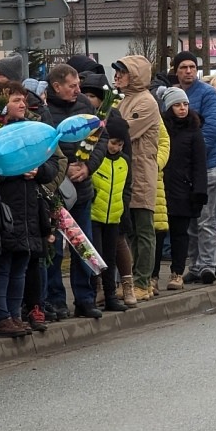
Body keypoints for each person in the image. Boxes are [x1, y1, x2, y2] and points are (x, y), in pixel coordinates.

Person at [0, 82, 61, 338]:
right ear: (1, 103)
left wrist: (38, 171)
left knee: (21, 266)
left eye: (23, 100)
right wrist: (16, 169)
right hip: (6, 209)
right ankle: (1, 315)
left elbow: (52, 163)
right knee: (3, 267)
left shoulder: (31, 130)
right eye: (16, 100)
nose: (22, 104)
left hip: (29, 209)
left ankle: (16, 314)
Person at [40, 63, 104, 320]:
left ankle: (85, 298)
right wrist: (61, 170)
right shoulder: (45, 111)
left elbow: (100, 137)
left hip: (83, 189)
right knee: (54, 250)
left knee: (83, 246)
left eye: (78, 85)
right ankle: (55, 300)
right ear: (57, 86)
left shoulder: (86, 107)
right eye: (72, 86)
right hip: (56, 191)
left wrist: (88, 167)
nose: (78, 90)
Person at [173, 52, 216, 285]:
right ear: (176, 70)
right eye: (183, 67)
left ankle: (208, 265)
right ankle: (194, 265)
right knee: (190, 221)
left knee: (207, 219)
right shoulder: (172, 94)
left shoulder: (208, 94)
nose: (188, 71)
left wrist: (191, 154)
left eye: (192, 66)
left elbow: (213, 128)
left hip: (208, 165)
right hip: (184, 169)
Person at [112, 56, 163, 300]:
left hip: (141, 171)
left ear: (135, 75)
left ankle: (144, 281)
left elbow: (121, 131)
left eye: (122, 72)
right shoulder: (125, 100)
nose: (117, 77)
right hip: (126, 172)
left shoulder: (146, 102)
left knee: (143, 229)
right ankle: (130, 280)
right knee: (129, 230)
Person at [159, 87, 208, 286]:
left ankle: (177, 272)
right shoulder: (161, 128)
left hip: (183, 189)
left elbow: (199, 164)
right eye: (177, 105)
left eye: (185, 104)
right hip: (162, 188)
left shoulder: (193, 131)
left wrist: (199, 191)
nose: (182, 109)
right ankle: (152, 276)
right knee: (159, 233)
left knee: (180, 234)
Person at [90, 113, 132, 311]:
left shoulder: (124, 162)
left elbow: (126, 189)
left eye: (119, 144)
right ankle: (92, 294)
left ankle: (110, 295)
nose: (114, 147)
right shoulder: (97, 159)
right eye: (112, 143)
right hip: (95, 215)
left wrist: (123, 211)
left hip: (113, 217)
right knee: (94, 258)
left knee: (109, 257)